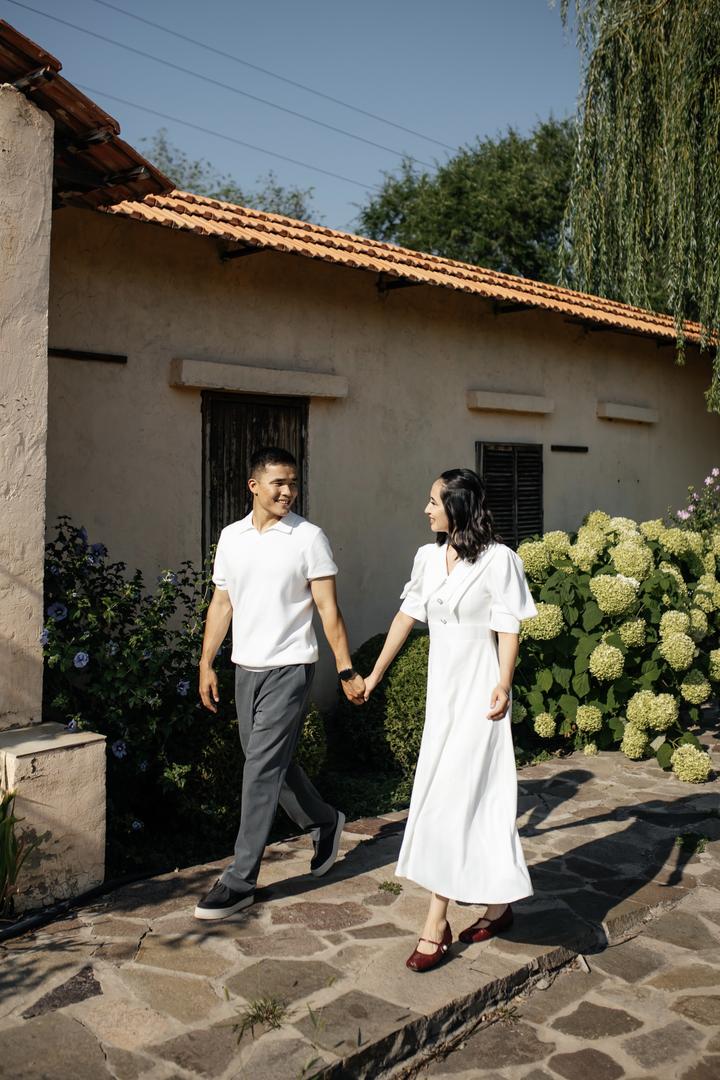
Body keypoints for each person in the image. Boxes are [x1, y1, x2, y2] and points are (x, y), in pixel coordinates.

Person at [363, 468, 537, 971]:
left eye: (433, 501)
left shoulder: (500, 560)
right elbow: (406, 617)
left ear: (457, 506)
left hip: (480, 695)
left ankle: (435, 922)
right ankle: (500, 906)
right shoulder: (426, 557)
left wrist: (503, 684)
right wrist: (374, 675)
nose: (426, 509)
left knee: (452, 802)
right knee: (466, 801)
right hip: (442, 696)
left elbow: (507, 626)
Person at [195, 446, 365, 920]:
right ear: (254, 486)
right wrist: (207, 662)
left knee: (259, 770)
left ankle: (239, 880)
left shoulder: (308, 538)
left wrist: (346, 669)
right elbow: (222, 604)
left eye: (293, 483)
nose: (288, 491)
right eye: (279, 483)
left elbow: (328, 610)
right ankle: (324, 820)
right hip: (245, 668)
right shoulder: (231, 538)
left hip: (290, 668)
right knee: (269, 762)